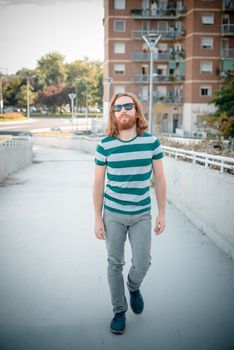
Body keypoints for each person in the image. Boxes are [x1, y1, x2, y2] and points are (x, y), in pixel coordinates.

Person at [93, 92, 166, 334]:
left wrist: (162, 213)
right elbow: (98, 184)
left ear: (136, 111)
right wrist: (97, 218)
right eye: (118, 107)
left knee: (142, 262)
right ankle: (119, 311)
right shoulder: (105, 145)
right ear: (113, 114)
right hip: (112, 214)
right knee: (114, 263)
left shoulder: (151, 143)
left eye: (128, 106)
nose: (123, 110)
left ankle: (133, 286)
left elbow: (160, 178)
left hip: (141, 214)